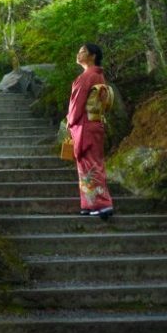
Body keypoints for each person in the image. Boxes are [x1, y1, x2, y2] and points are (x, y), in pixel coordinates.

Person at [67, 43, 114, 219]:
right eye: (78, 51)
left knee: (91, 165)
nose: (79, 54)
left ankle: (102, 204)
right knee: (89, 164)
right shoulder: (97, 75)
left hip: (85, 124)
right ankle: (89, 203)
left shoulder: (87, 77)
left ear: (93, 56)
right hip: (94, 123)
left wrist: (70, 121)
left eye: (83, 51)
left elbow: (77, 104)